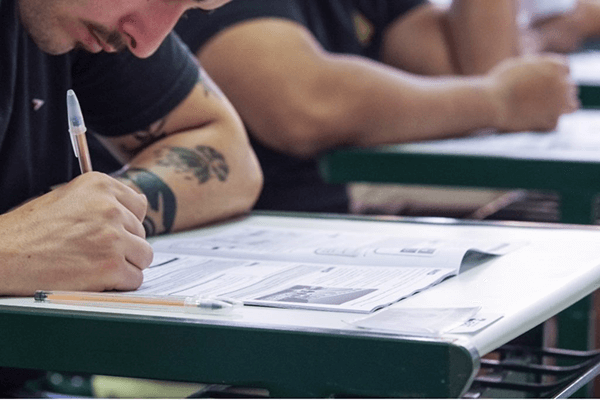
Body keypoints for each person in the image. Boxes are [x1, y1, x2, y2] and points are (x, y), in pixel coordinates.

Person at [174, 0, 579, 215]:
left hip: (348, 210)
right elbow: (303, 108)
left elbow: (474, 68)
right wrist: (497, 100)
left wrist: (499, 96)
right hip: (267, 229)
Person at [0, 0, 263, 297]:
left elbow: (231, 155)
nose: (146, 45)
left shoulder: (78, 18)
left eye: (191, 9)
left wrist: (91, 216)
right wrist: (14, 248)